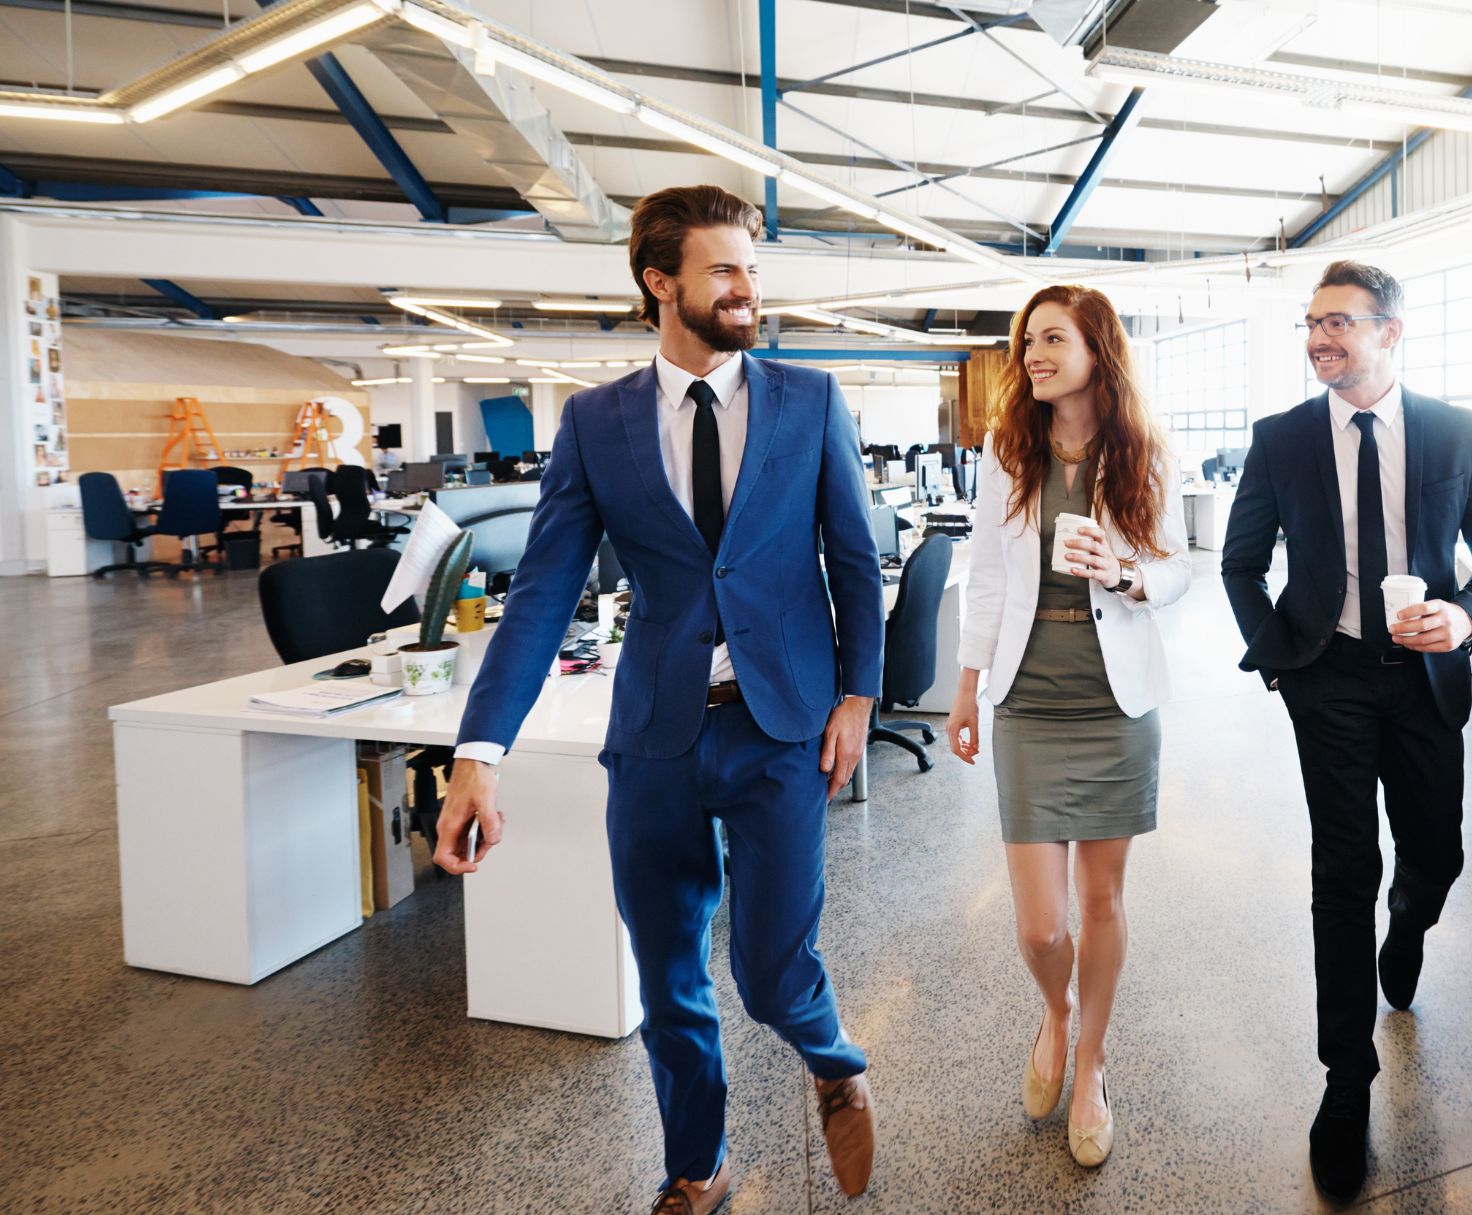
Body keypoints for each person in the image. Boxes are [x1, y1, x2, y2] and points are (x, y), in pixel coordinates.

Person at [433, 185, 882, 1215]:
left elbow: (854, 557)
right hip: (656, 735)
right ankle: (698, 1164)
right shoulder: (596, 424)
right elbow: (544, 594)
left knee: (770, 974)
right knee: (670, 971)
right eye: (725, 270)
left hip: (782, 728)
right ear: (660, 282)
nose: (747, 289)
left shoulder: (809, 400)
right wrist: (477, 755)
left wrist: (860, 693)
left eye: (752, 271)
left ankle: (831, 1055)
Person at [1220, 260, 1472, 1201]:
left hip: (1426, 676)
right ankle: (1345, 1079)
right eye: (1310, 322)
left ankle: (1411, 925)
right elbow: (1241, 563)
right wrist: (1284, 663)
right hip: (1332, 679)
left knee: (1436, 855)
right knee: (1343, 868)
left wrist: (1467, 614)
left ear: (1391, 332)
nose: (1319, 337)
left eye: (1338, 322)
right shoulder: (1280, 439)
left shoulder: (1454, 431)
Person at [947, 285, 1191, 1168]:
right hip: (1029, 702)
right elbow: (985, 580)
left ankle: (1090, 1065)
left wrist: (1125, 573)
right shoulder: (1006, 452)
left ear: (1099, 348)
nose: (1033, 354)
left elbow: (1175, 571)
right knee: (1042, 927)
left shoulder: (1142, 452)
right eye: (1027, 341)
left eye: (1053, 337)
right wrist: (967, 688)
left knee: (1101, 902)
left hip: (1113, 705)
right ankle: (1056, 1008)